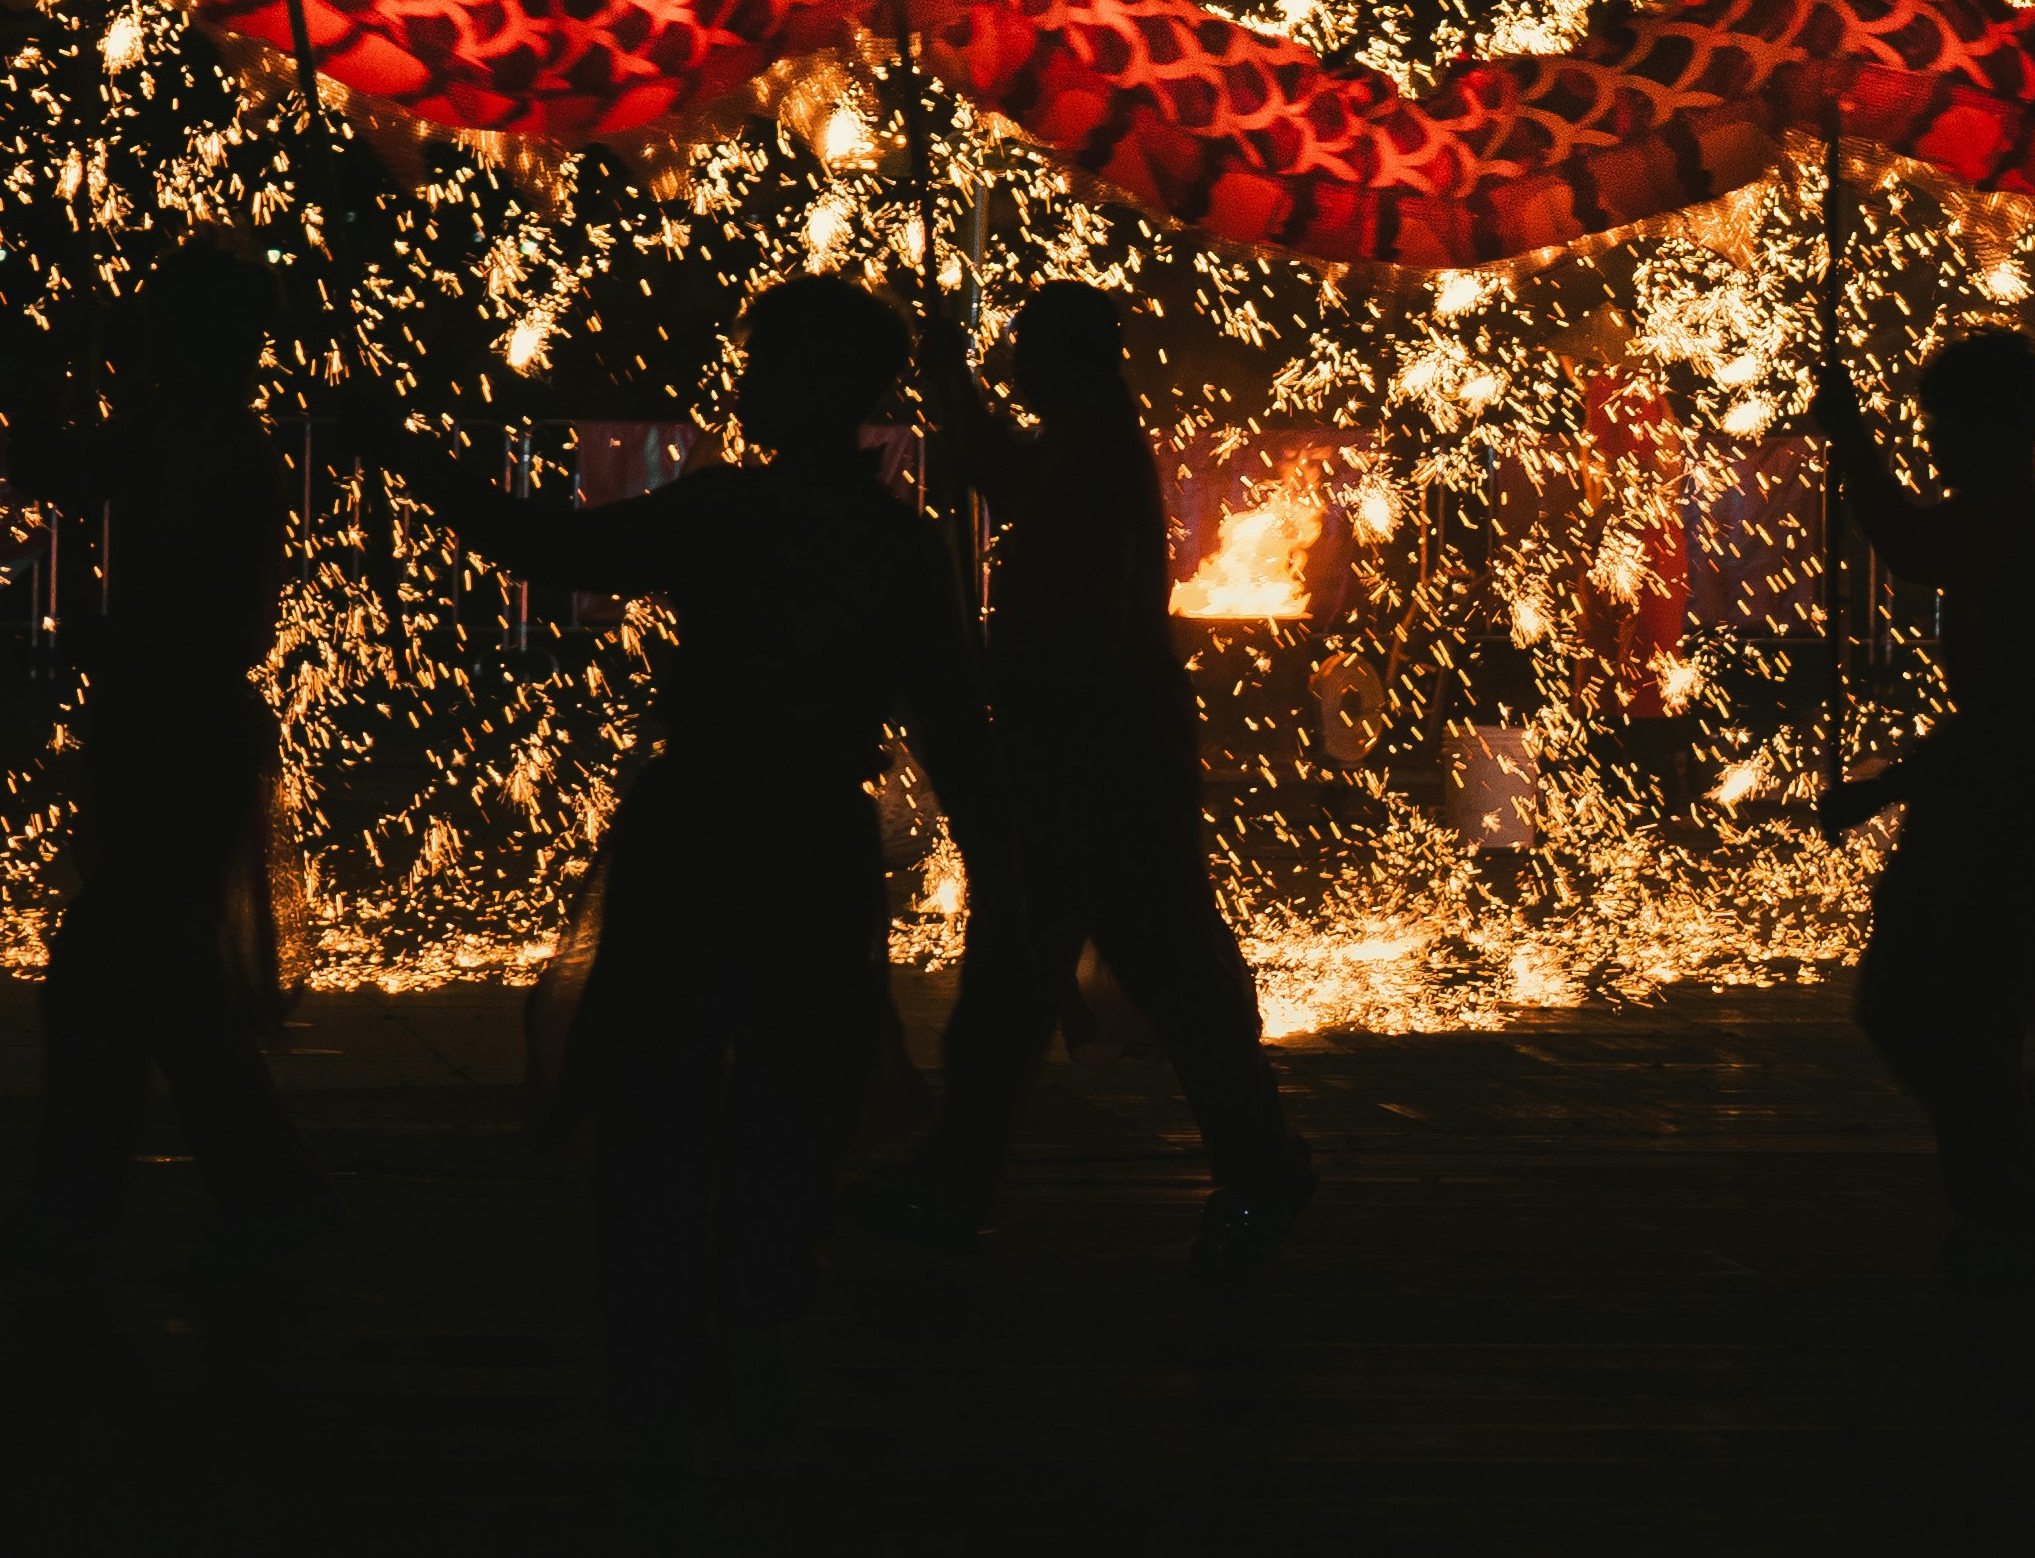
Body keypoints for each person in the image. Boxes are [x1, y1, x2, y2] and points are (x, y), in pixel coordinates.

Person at [351, 273, 965, 1446]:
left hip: (703, 830)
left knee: (661, 1081)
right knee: (796, 1082)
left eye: (764, 365)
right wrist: (1005, 875)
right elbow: (951, 722)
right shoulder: (900, 545)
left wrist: (405, 457)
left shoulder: (727, 514)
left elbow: (538, 543)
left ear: (815, 385)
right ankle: (758, 1316)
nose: (743, 388)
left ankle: (659, 1326)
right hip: (815, 846)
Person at [854, 285, 1318, 1279]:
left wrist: (966, 667)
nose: (1014, 367)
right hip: (1087, 752)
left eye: (1023, 351)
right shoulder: (1085, 439)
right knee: (1034, 977)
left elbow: (1049, 578)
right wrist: (950, 379)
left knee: (1144, 973)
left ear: (1066, 359)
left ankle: (1257, 1170)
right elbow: (1010, 480)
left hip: (1099, 759)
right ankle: (963, 1180)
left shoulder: (1094, 451)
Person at [0, 232, 330, 1262]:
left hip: (176, 728)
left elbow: (203, 609)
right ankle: (244, 1189)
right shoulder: (186, 429)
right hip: (167, 725)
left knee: (114, 974)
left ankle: (102, 1200)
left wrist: (45, 371)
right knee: (158, 980)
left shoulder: (203, 444)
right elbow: (58, 470)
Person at [1812, 329, 2035, 1301]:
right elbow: (1912, 545)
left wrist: (1853, 440)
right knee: (1932, 1012)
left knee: (1937, 1012)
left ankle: (2009, 1204)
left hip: (2006, 813)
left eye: (1944, 427)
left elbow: (2008, 714)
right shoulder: (2006, 522)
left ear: (1994, 431)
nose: (1934, 445)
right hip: (1995, 802)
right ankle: (2011, 1174)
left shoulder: (2011, 532)